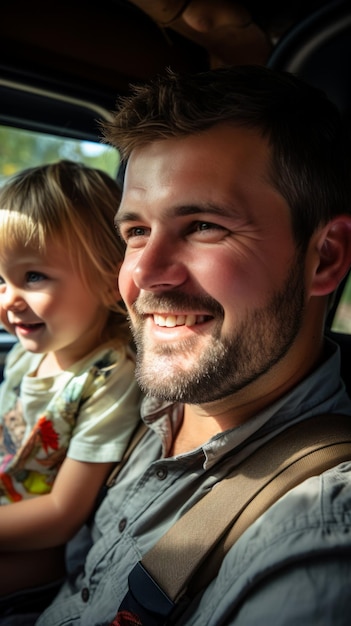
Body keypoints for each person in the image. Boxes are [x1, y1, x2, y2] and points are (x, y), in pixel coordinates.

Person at [35, 65, 351, 625]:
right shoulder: (147, 400)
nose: (145, 274)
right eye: (135, 232)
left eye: (204, 225)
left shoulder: (311, 538)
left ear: (323, 257)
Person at [0, 160, 142, 602]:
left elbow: (63, 514)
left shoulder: (110, 378)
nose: (10, 300)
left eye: (34, 276)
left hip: (31, 566)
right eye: (0, 280)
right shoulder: (27, 357)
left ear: (106, 280)